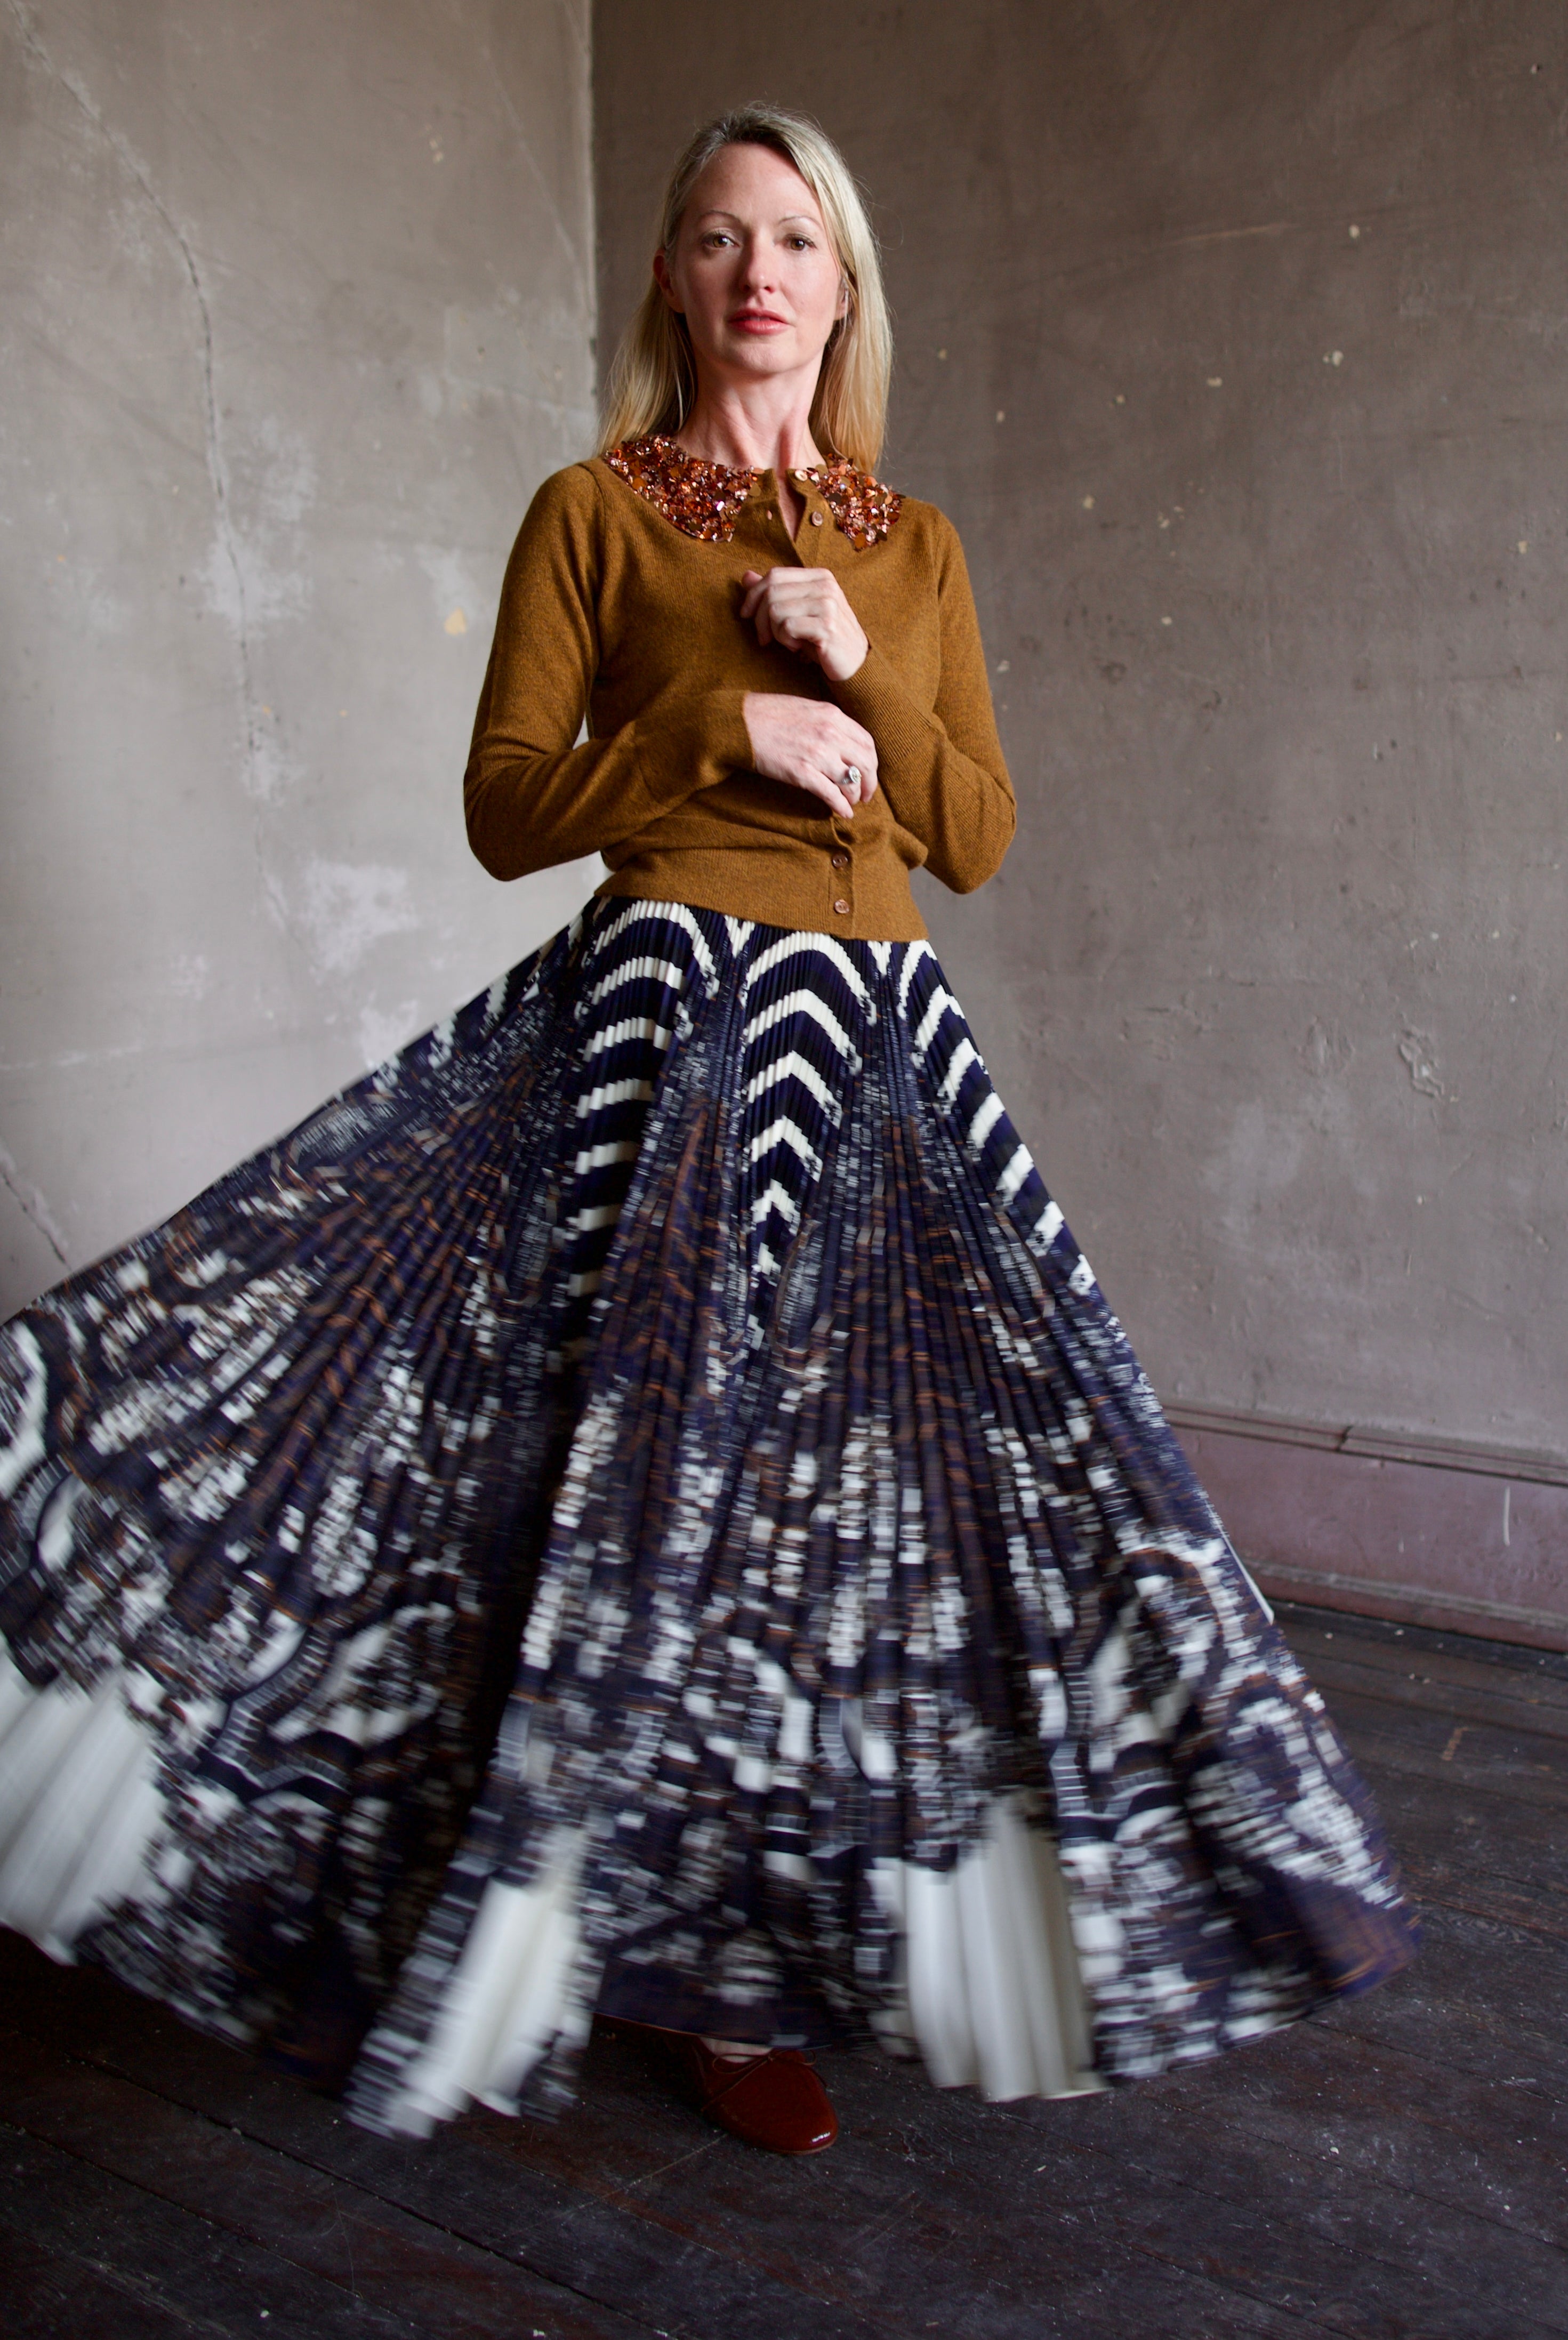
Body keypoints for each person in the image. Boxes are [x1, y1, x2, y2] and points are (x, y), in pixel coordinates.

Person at [0, 105, 1415, 2161]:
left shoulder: (911, 546)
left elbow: (981, 836)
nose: (760, 271)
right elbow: (504, 809)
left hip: (868, 1059)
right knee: (602, 1501)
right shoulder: (591, 513)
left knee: (849, 1522)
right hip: (649, 1048)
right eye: (720, 236)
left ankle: (753, 1966)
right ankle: (539, 1913)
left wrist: (857, 671)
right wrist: (708, 727)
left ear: (843, 289)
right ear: (672, 278)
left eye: (798, 241)